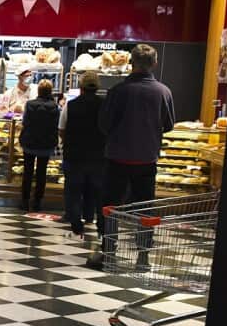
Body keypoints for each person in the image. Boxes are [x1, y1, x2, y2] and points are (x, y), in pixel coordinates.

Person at [98, 44, 175, 262]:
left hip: (117, 158)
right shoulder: (163, 92)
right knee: (145, 208)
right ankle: (143, 256)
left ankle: (109, 251)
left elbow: (103, 125)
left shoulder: (117, 92)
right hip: (146, 159)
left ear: (131, 63)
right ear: (154, 64)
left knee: (110, 207)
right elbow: (168, 125)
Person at [61, 72, 107, 238]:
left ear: (81, 87)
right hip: (98, 156)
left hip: (75, 155)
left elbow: (62, 129)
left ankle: (76, 224)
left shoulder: (70, 105)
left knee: (74, 191)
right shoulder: (104, 105)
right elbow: (109, 129)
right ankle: (101, 226)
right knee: (98, 192)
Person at [19, 79, 61, 212]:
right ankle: (37, 201)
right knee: (41, 173)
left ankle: (25, 201)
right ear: (50, 91)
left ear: (38, 91)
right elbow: (57, 125)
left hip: (29, 142)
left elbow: (25, 122)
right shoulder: (55, 107)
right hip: (46, 144)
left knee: (28, 172)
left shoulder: (29, 104)